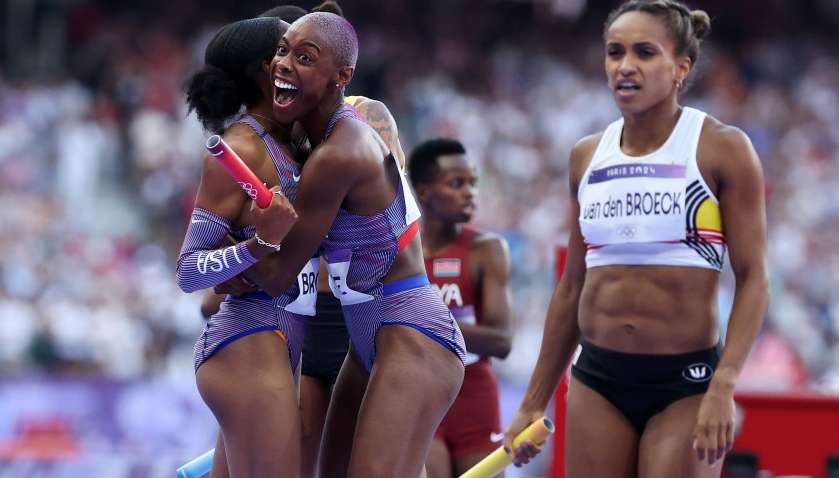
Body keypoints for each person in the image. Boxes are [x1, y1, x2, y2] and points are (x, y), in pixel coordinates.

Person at [504, 1, 769, 476]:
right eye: (615, 52)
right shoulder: (587, 156)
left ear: (681, 67)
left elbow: (754, 278)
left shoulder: (721, 148)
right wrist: (532, 401)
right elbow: (571, 288)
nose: (625, 66)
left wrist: (724, 385)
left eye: (645, 53)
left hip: (685, 384)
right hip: (597, 380)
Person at [238, 12, 466, 477]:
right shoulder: (310, 140)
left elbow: (279, 273)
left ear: (343, 77)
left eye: (303, 57)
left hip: (412, 332)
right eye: (282, 52)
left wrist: (225, 256)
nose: (283, 64)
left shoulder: (342, 149)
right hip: (366, 337)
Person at [177, 16, 309, 478]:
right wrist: (261, 242)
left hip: (281, 341)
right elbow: (190, 271)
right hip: (250, 341)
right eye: (289, 51)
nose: (299, 60)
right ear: (266, 69)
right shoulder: (242, 148)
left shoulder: (294, 140)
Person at [408, 138, 513, 478]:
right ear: (423, 192)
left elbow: (501, 341)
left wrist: (426, 319)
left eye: (473, 183)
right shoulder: (402, 252)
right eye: (457, 184)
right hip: (422, 392)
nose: (470, 192)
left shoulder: (486, 249)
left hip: (475, 395)